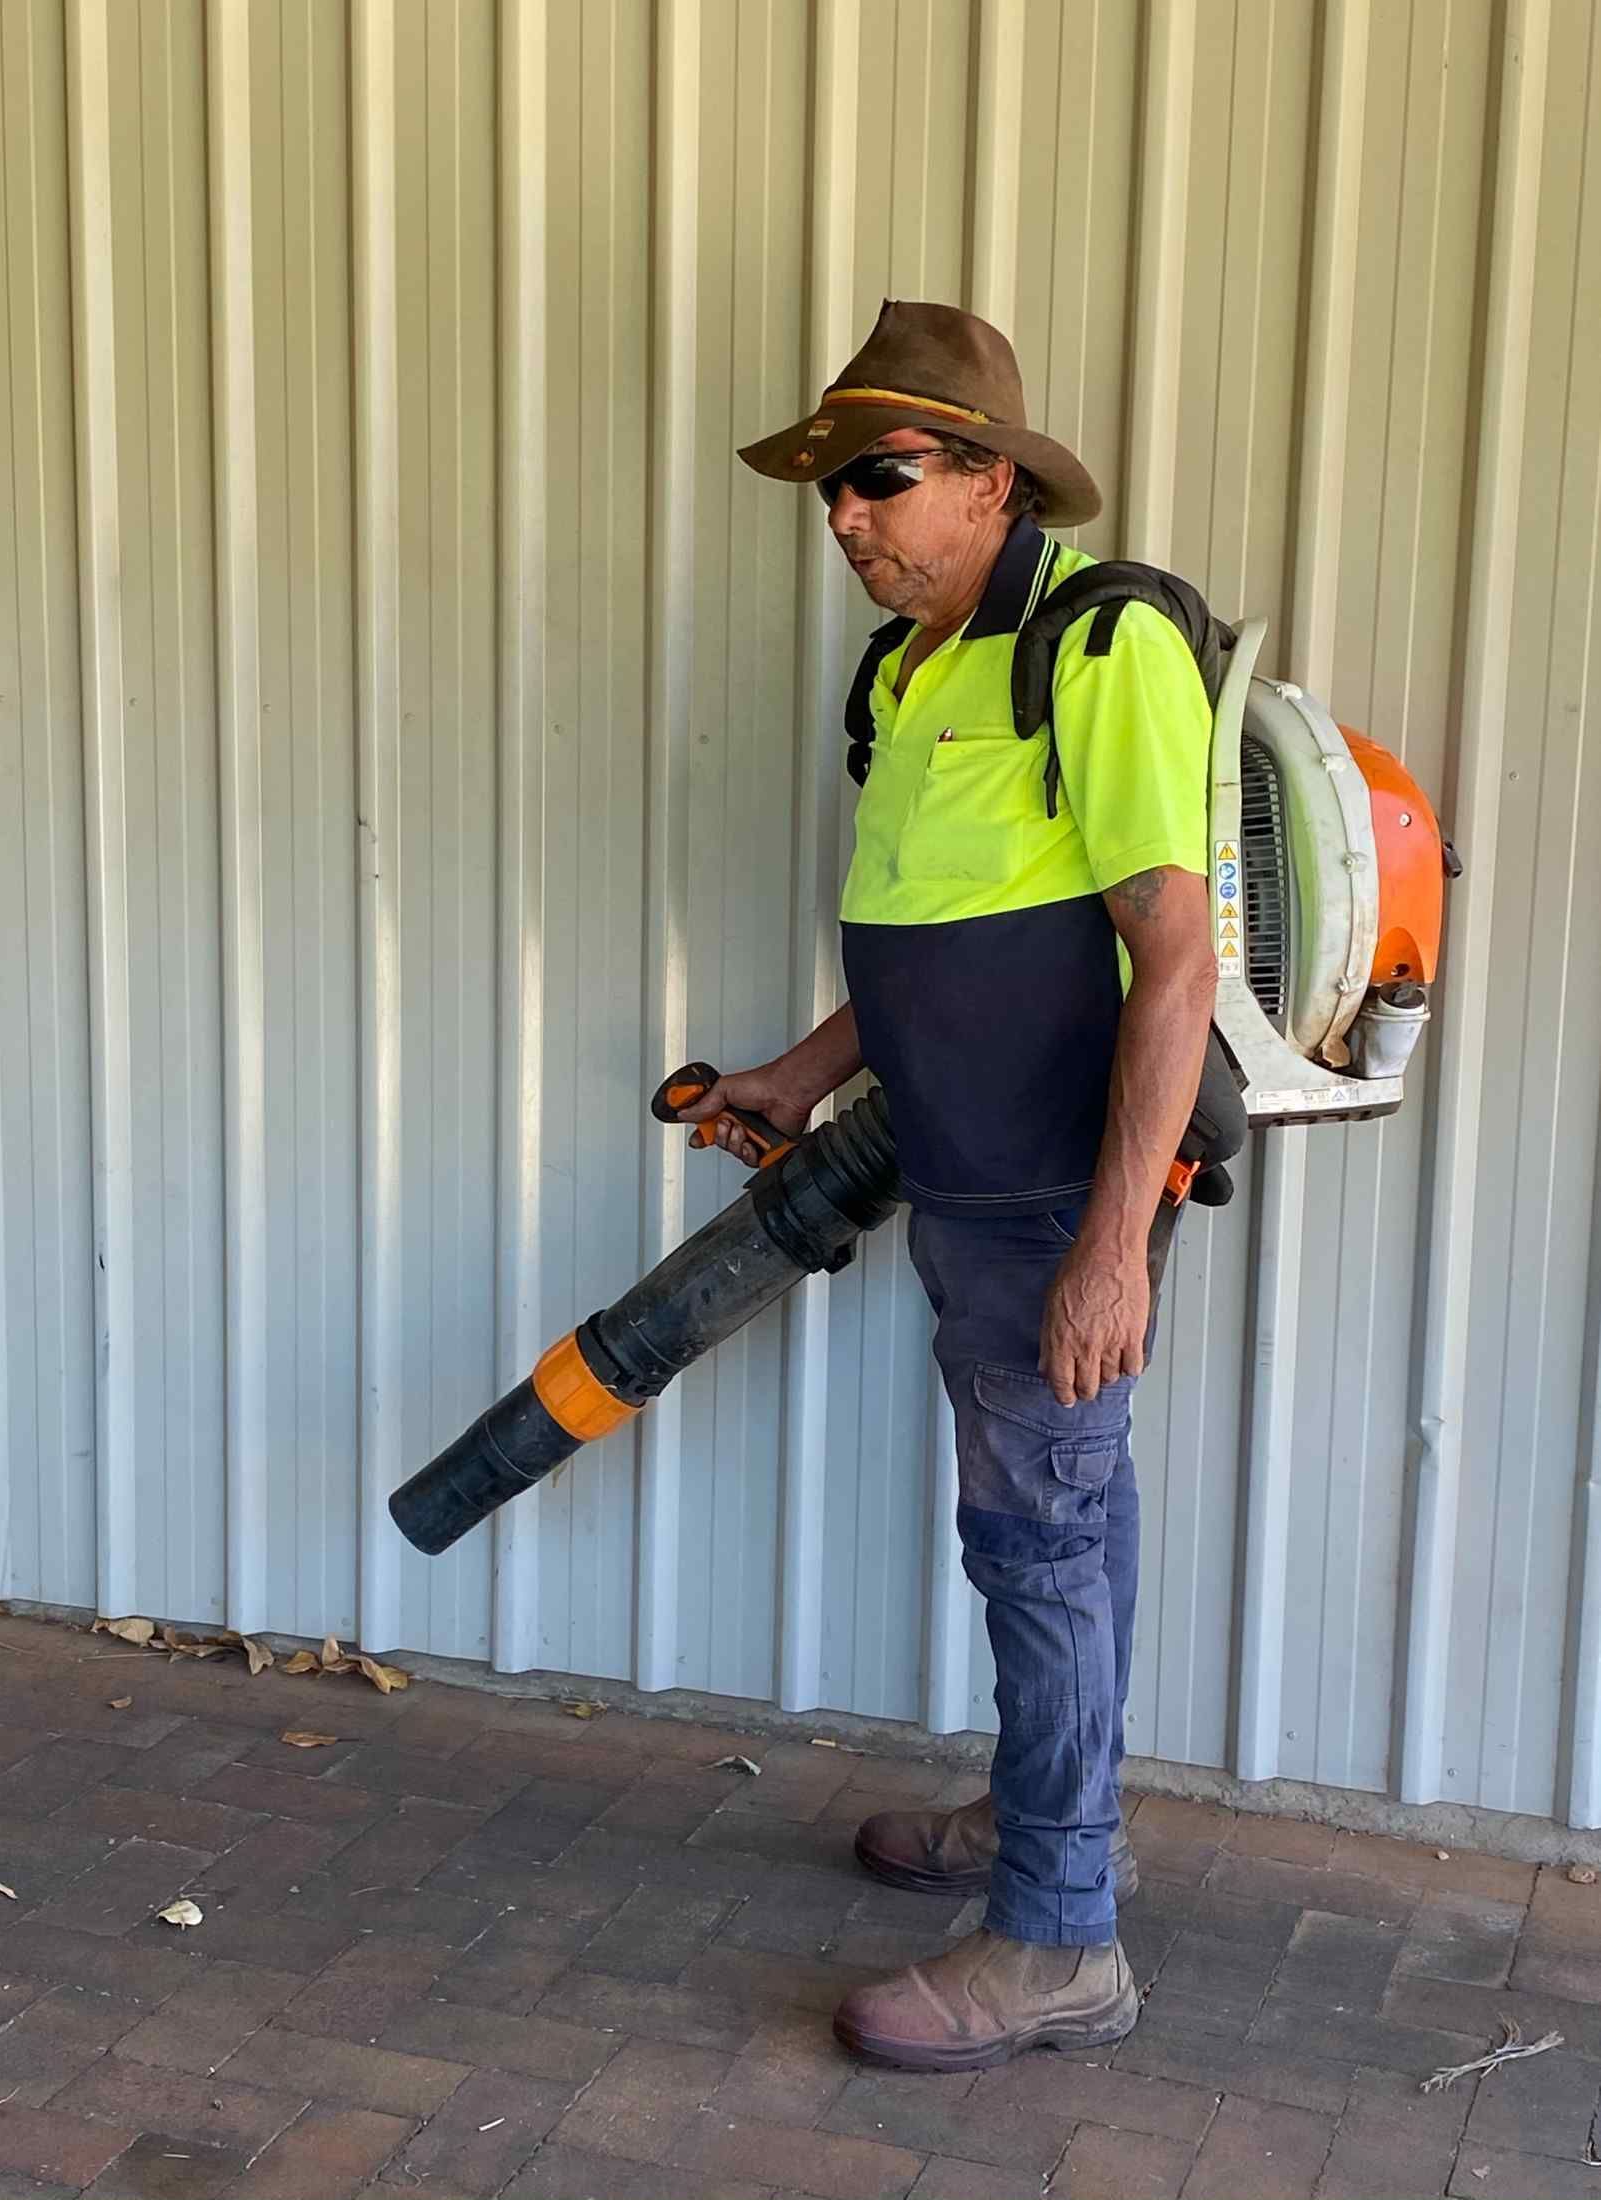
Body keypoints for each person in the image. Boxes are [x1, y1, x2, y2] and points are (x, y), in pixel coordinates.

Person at [681, 300, 1219, 2072]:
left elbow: (1172, 960)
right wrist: (800, 1074)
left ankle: (1061, 1941)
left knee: (1037, 1534)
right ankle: (1047, 1828)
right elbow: (936, 930)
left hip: (1052, 1191)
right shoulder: (907, 671)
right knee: (1064, 1522)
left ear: (992, 480)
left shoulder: (1096, 645)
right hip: (963, 1169)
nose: (848, 514)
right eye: (832, 487)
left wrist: (1111, 1247)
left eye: (884, 476)